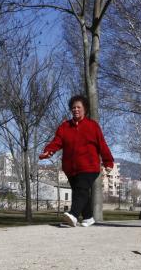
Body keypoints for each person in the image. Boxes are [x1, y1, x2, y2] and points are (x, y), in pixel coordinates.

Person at [40, 95, 114, 227]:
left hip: (89, 166)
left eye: (78, 107)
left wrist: (108, 162)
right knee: (81, 192)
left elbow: (102, 145)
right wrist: (49, 151)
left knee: (81, 189)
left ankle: (73, 215)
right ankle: (88, 217)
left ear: (85, 109)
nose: (76, 110)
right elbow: (56, 142)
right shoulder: (64, 127)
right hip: (71, 168)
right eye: (73, 108)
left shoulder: (93, 126)